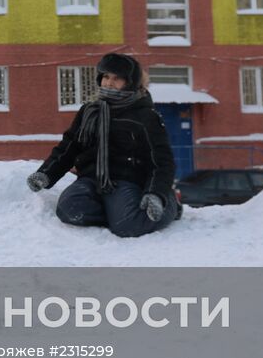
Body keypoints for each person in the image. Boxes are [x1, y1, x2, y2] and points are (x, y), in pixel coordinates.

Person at [25, 52, 180, 237]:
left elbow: (162, 160)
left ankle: (171, 205)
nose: (109, 83)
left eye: (117, 78)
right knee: (69, 210)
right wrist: (46, 174)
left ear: (130, 82)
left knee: (128, 225)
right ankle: (116, 211)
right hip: (91, 178)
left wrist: (157, 194)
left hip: (127, 180)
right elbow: (70, 146)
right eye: (106, 76)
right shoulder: (90, 111)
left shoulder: (145, 116)